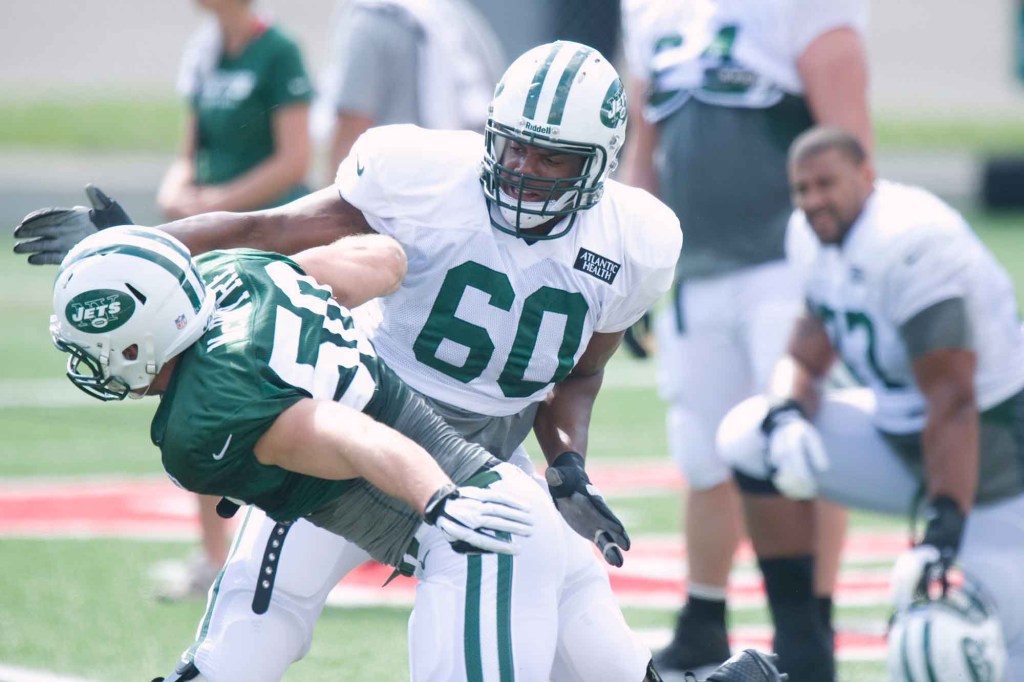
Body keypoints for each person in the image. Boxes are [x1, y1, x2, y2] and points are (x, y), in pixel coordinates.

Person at [16, 42, 687, 682]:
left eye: (551, 159)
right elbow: (267, 230)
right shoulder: (424, 176)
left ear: (597, 165)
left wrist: (567, 461)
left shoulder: (637, 241)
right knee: (254, 621)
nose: (523, 168)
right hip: (367, 399)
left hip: (486, 453)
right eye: (515, 145)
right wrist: (135, 245)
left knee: (599, 649)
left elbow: (580, 374)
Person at [618, 0, 872, 676]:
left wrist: (848, 264)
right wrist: (627, 264)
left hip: (786, 265)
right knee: (703, 451)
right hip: (696, 265)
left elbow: (851, 145)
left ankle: (808, 630)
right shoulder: (653, 13)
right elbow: (645, 154)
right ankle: (704, 617)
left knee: (797, 445)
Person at [716, 126, 1024, 681]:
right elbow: (806, 352)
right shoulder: (813, 237)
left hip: (994, 464)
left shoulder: (912, 242)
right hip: (902, 434)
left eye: (825, 185)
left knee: (953, 649)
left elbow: (953, 399)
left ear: (865, 176)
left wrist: (943, 529)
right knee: (751, 435)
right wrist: (787, 413)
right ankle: (805, 647)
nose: (813, 201)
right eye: (802, 190)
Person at [153, 0, 315, 599]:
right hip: (208, 246)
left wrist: (217, 206)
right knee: (193, 385)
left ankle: (292, 549)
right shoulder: (203, 52)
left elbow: (295, 161)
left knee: (280, 388)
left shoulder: (280, 52)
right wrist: (178, 191)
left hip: (267, 251)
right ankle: (213, 558)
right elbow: (186, 152)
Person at [314, 0, 505, 182]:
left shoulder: (372, 21)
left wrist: (333, 197)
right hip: (455, 182)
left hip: (388, 193)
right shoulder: (455, 16)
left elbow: (352, 125)